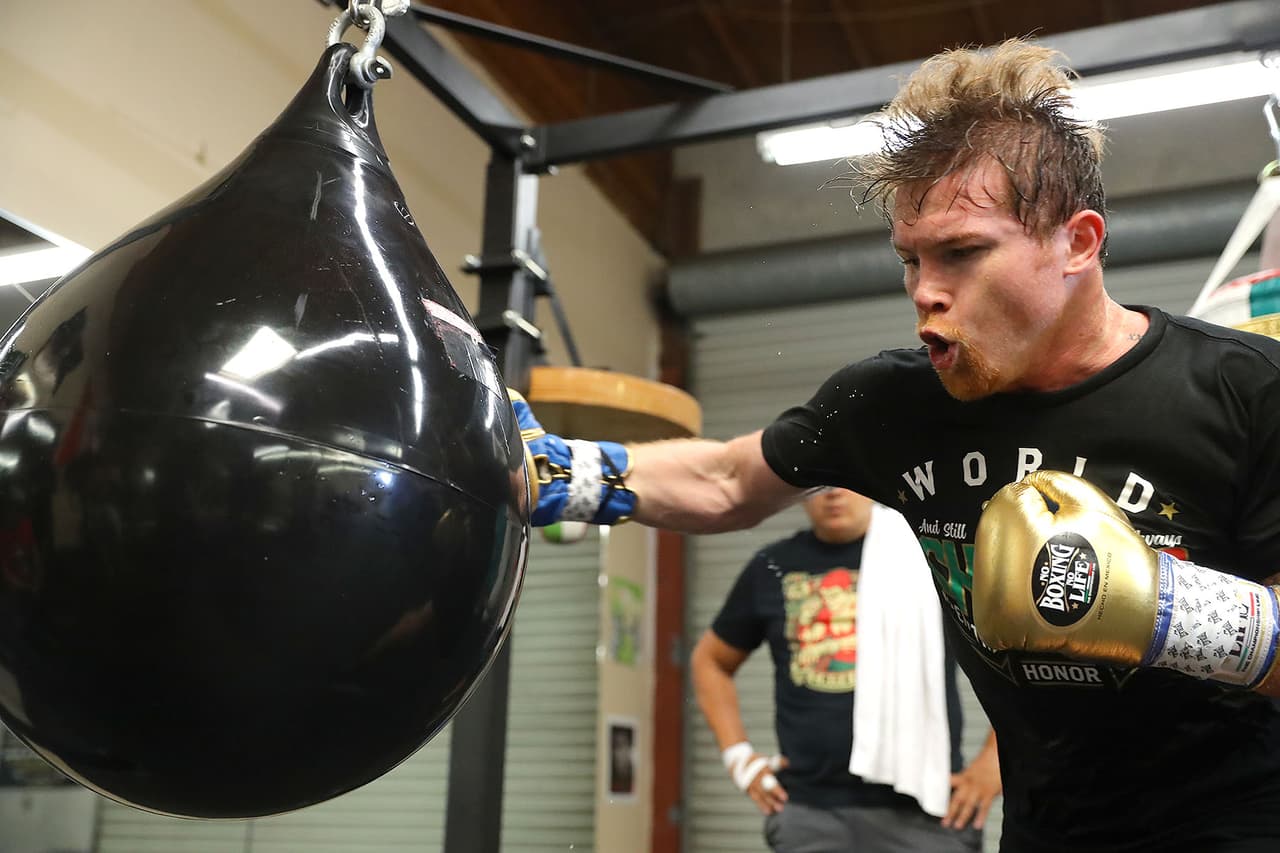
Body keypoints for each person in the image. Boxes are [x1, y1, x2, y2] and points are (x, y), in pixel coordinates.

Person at [509, 38, 1280, 852]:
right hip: (1047, 827)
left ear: (1078, 242)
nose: (925, 292)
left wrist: (1164, 608)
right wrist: (561, 472)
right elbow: (730, 480)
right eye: (910, 259)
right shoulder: (896, 402)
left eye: (963, 253)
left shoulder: (1244, 390)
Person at [690, 487, 999, 853]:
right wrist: (739, 758)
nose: (833, 493)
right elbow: (710, 661)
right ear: (796, 490)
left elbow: (1017, 657)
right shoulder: (772, 567)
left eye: (843, 479)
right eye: (817, 484)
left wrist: (993, 763)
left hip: (927, 815)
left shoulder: (931, 558)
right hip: (810, 813)